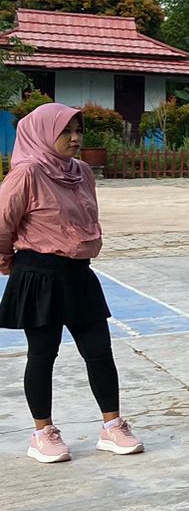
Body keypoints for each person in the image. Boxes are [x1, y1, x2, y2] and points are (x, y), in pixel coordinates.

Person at [0, 103, 142, 463]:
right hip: (38, 274)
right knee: (42, 355)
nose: (75, 138)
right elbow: (2, 224)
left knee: (99, 351)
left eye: (79, 130)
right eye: (66, 131)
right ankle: (42, 432)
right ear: (44, 133)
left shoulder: (81, 172)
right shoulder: (26, 174)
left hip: (78, 273)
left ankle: (112, 426)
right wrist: (8, 264)